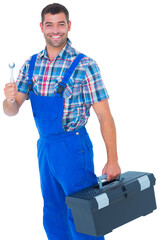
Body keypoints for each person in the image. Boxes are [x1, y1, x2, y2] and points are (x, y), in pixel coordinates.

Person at [3, 3, 121, 240]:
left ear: (68, 26)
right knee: (54, 213)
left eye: (60, 24)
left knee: (82, 215)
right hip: (45, 147)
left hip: (73, 147)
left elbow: (104, 115)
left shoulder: (85, 65)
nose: (55, 30)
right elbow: (12, 110)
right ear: (41, 27)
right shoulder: (32, 64)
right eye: (49, 24)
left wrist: (113, 160)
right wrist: (8, 99)